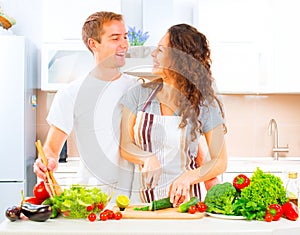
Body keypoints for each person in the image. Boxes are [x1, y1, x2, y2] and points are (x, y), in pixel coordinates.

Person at [119, 23, 228, 206]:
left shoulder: (204, 104)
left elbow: (220, 161)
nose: (153, 54)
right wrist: (146, 157)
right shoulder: (138, 94)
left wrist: (187, 178)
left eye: (161, 50)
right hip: (142, 203)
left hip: (187, 205)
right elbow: (125, 145)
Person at [33, 11, 138, 196]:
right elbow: (51, 149)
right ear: (93, 44)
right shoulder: (71, 93)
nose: (124, 44)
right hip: (93, 198)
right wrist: (45, 161)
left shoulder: (136, 88)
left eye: (125, 37)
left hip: (133, 199)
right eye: (115, 38)